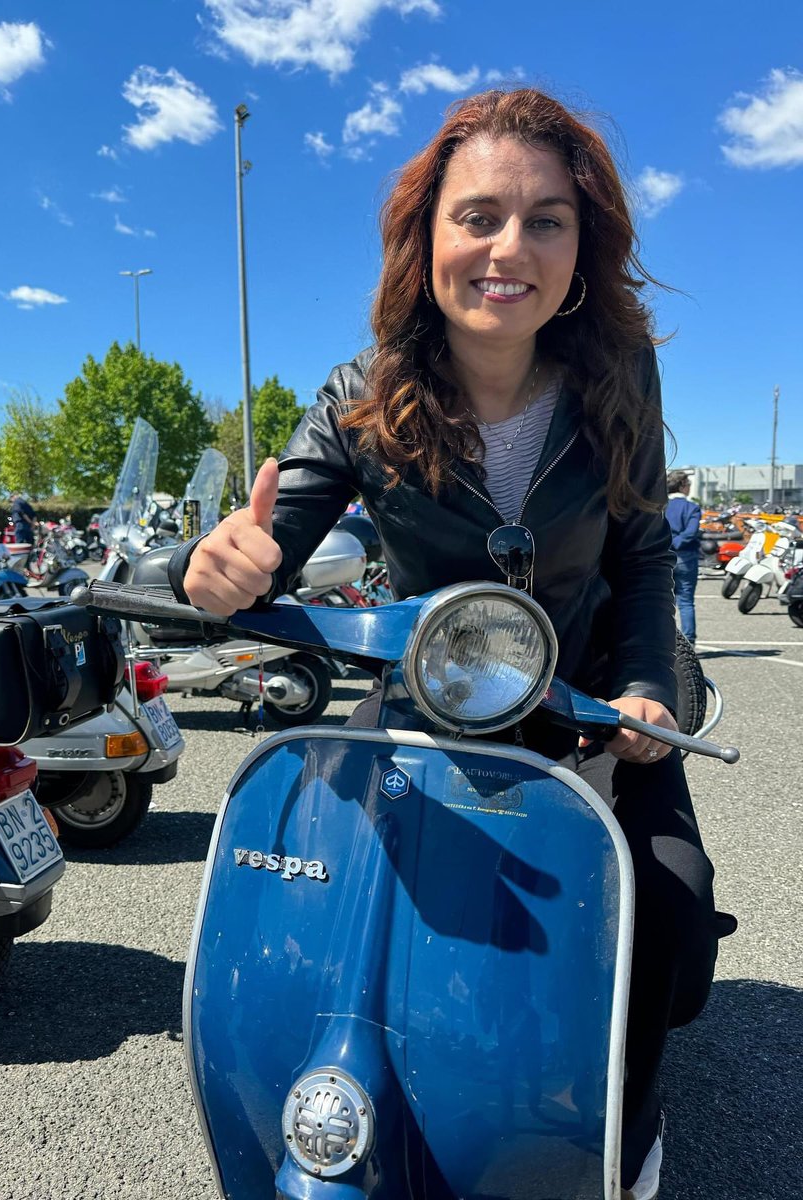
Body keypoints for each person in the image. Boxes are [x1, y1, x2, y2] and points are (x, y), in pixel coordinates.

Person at [172, 88, 721, 1199]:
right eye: (477, 216)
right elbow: (265, 544)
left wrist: (649, 689)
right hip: (426, 704)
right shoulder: (359, 400)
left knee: (669, 903)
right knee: (334, 893)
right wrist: (218, 571)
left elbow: (645, 558)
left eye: (545, 220)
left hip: (592, 716)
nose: (508, 247)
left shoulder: (620, 381)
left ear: (582, 247)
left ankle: (623, 1116)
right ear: (426, 241)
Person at [665, 469, 702, 644]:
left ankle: (663, 641)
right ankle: (688, 643)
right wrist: (677, 542)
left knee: (663, 601)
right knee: (686, 602)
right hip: (686, 557)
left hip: (663, 556)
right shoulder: (691, 507)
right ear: (682, 485)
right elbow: (691, 532)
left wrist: (668, 543)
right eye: (688, 484)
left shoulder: (661, 506)